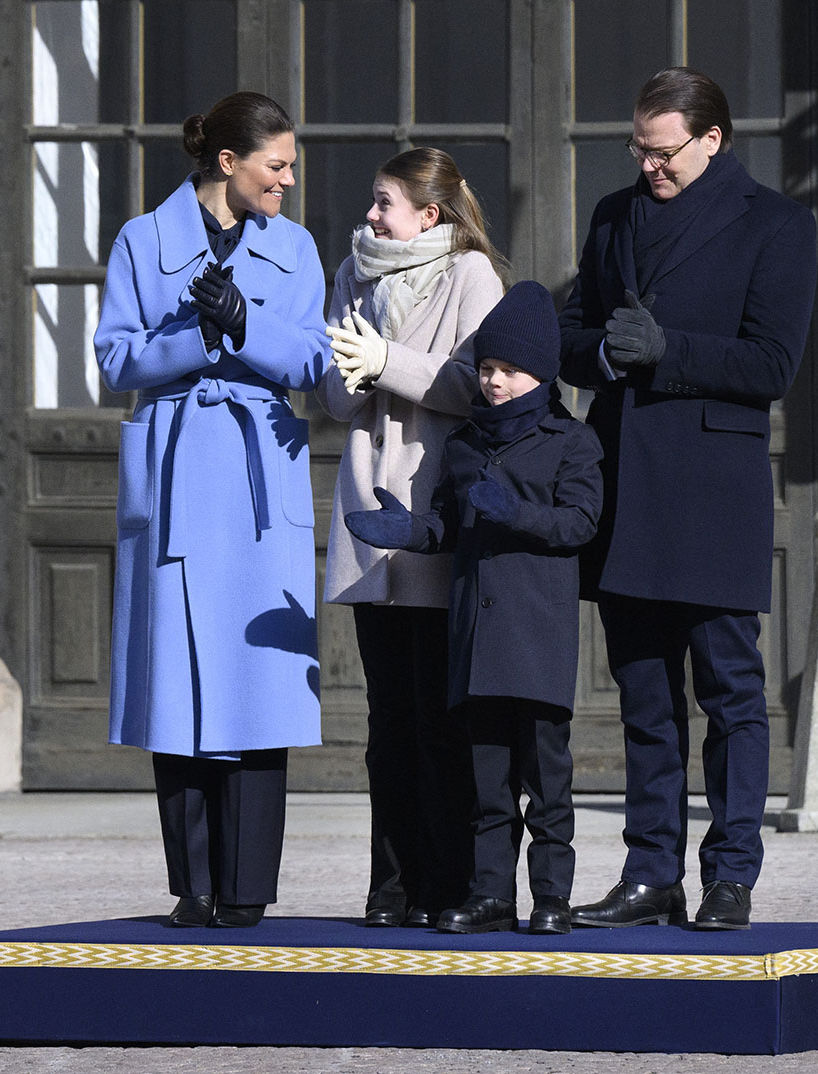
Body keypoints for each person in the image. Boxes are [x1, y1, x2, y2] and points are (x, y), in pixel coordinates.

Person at [559, 67, 817, 930]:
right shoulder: (611, 215)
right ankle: (650, 874)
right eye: (639, 149)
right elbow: (569, 334)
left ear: (712, 140)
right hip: (626, 486)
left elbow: (771, 365)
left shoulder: (778, 224)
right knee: (644, 696)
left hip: (712, 496)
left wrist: (667, 352)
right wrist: (597, 353)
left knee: (731, 694)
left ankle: (731, 875)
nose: (649, 166)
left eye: (663, 152)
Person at [94, 91, 329, 929]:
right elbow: (116, 359)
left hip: (261, 472)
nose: (289, 181)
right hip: (176, 473)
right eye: (277, 165)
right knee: (178, 683)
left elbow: (315, 361)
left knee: (256, 680)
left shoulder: (296, 248)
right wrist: (197, 335)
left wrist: (247, 323)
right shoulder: (141, 239)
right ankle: (193, 888)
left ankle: (248, 890)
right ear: (228, 162)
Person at [345, 282, 603, 934]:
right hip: (476, 642)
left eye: (506, 370)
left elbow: (579, 524)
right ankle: (491, 897)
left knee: (546, 787)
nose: (491, 382)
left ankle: (551, 900)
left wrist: (514, 512)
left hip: (536, 642)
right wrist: (411, 532)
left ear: (540, 373)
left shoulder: (570, 444)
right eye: (485, 368)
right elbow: (450, 526)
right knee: (487, 787)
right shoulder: (463, 445)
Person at [316, 147, 507, 928]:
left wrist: (387, 359)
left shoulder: (472, 277)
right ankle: (390, 886)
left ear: (429, 214)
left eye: (385, 202)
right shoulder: (352, 272)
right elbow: (331, 397)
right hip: (369, 512)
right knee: (387, 718)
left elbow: (479, 387)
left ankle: (448, 885)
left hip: (433, 515)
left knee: (439, 715)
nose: (370, 214)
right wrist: (351, 374)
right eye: (372, 198)